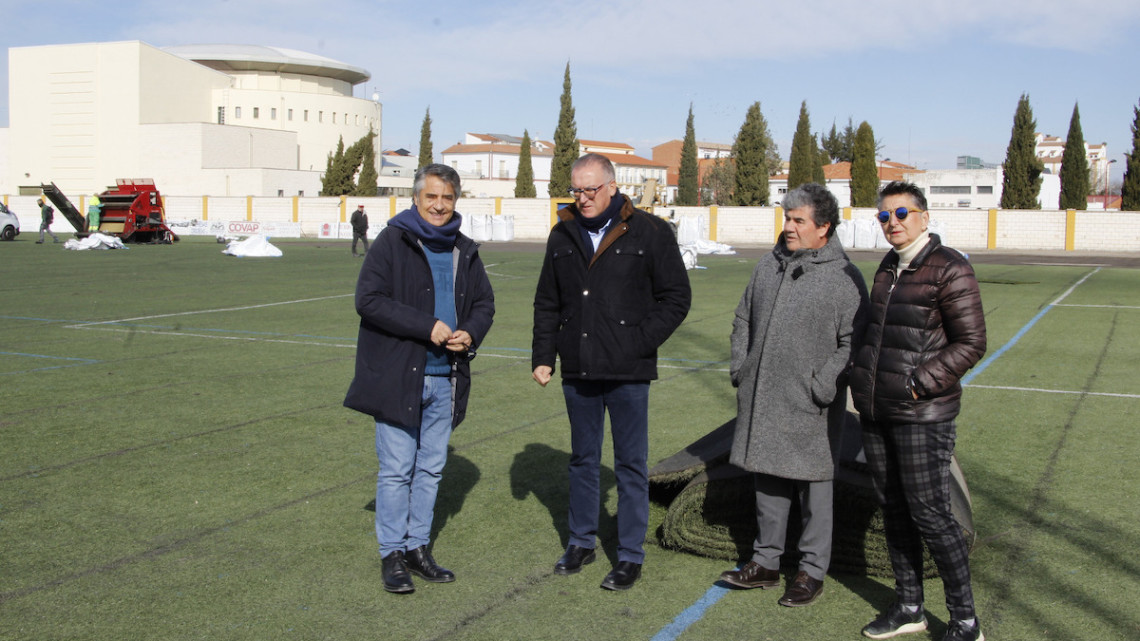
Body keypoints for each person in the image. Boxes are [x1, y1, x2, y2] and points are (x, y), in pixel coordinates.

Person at [532, 153, 691, 591]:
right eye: (576, 190)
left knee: (629, 465)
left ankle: (629, 555)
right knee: (582, 460)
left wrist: (637, 342)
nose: (582, 199)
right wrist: (544, 355)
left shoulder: (651, 232)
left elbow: (676, 298)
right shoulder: (561, 234)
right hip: (578, 369)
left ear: (613, 186)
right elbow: (548, 301)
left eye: (590, 190)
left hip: (628, 372)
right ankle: (581, 541)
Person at [343, 164, 495, 595]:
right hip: (399, 375)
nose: (439, 205)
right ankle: (391, 553)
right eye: (431, 197)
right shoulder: (392, 241)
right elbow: (368, 300)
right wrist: (425, 325)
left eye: (447, 198)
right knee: (395, 471)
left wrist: (471, 331)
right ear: (416, 198)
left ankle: (417, 547)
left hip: (446, 377)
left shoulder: (464, 249)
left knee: (430, 469)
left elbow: (484, 303)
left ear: (456, 201)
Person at [719, 183, 868, 607]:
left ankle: (810, 571)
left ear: (823, 228)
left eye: (798, 220)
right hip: (763, 396)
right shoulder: (770, 264)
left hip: (811, 405)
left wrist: (822, 385)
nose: (788, 227)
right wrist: (741, 366)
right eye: (787, 218)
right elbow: (742, 318)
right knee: (767, 480)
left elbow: (853, 342)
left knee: (814, 491)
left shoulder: (844, 277)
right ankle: (765, 563)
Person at [850, 181, 987, 641]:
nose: (893, 223)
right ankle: (910, 606)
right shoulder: (888, 267)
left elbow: (972, 342)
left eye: (902, 214)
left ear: (924, 217)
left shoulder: (950, 268)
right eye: (884, 217)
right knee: (893, 510)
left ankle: (965, 620)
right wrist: (861, 378)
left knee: (930, 513)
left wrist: (918, 384)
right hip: (877, 410)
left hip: (921, 414)